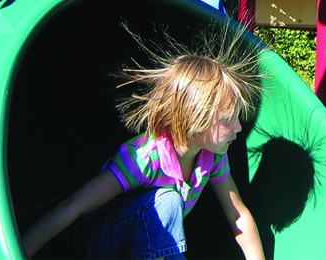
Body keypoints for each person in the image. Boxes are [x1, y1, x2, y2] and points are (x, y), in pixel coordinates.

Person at [20, 26, 266, 259]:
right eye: (228, 119)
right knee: (167, 201)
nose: (238, 127)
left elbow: (238, 216)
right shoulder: (144, 157)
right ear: (195, 119)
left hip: (148, 248)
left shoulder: (212, 156)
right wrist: (17, 252)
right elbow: (73, 206)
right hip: (98, 242)